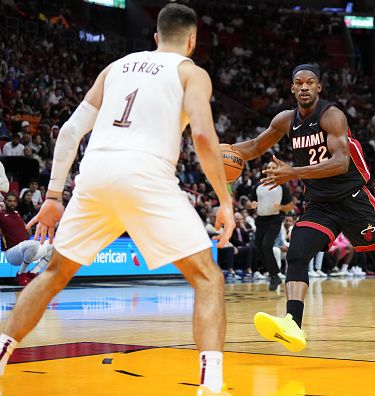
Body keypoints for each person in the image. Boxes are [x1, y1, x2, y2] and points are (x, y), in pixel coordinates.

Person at [0, 5, 234, 395]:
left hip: (94, 172)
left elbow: (71, 130)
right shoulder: (191, 72)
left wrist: (55, 194)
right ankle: (211, 386)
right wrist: (224, 200)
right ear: (192, 41)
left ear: (156, 38)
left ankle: (1, 349)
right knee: (208, 277)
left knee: (55, 273)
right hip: (144, 173)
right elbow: (205, 138)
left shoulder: (117, 67)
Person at [233, 64, 375, 352]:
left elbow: (340, 163)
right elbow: (255, 146)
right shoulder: (286, 120)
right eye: (298, 83)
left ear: (319, 87)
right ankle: (293, 325)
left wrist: (293, 172)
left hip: (353, 200)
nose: (304, 87)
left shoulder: (332, 116)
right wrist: (219, 149)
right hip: (320, 205)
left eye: (310, 82)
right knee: (297, 253)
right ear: (292, 88)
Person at [250, 161, 293, 291]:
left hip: (274, 221)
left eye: (273, 168)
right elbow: (253, 201)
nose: (270, 169)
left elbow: (290, 206)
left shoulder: (282, 186)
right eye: (268, 167)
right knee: (259, 248)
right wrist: (252, 205)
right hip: (260, 220)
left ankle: (274, 275)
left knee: (266, 246)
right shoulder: (258, 186)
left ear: (277, 171)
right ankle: (274, 275)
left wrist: (280, 207)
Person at [0, 193, 52, 286]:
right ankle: (21, 274)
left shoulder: (17, 213)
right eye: (9, 201)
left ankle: (33, 273)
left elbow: (24, 227)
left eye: (14, 201)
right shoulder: (1, 214)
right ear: (4, 202)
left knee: (54, 245)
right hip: (12, 253)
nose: (12, 203)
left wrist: (27, 229)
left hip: (25, 250)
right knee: (33, 244)